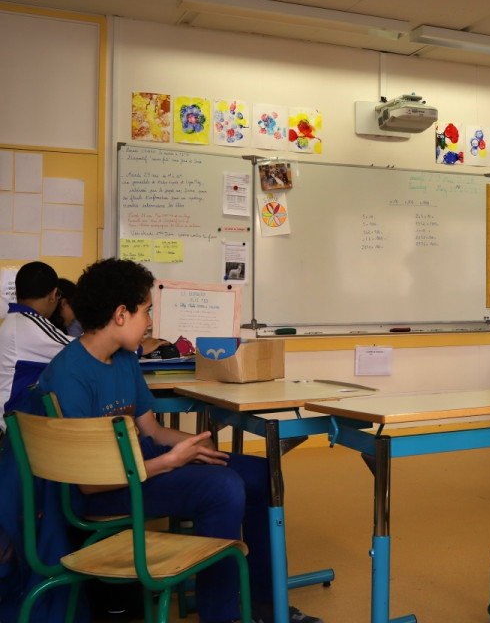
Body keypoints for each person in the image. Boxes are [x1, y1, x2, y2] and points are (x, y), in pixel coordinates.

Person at [39, 258, 321, 623]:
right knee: (222, 489)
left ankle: (265, 602)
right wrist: (168, 462)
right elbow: (88, 484)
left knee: (258, 473)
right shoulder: (68, 375)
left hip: (137, 464)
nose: (152, 322)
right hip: (104, 487)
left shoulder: (123, 358)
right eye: (147, 311)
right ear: (121, 313)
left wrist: (196, 444)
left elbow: (152, 431)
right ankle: (222, 614)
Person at [0, 261, 72, 428]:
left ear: (17, 292)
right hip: (13, 425)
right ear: (54, 294)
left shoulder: (15, 321)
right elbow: (82, 349)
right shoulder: (30, 324)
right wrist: (137, 348)